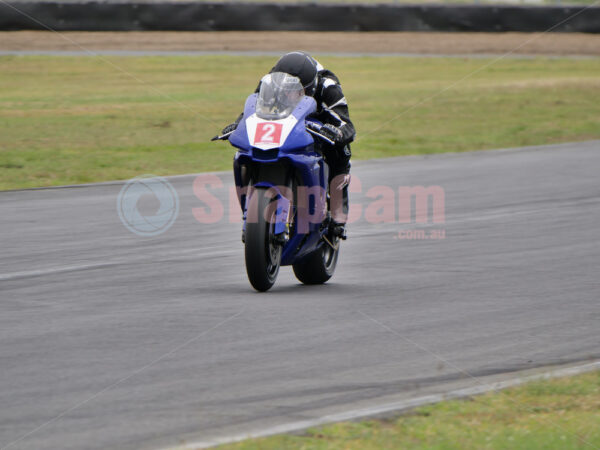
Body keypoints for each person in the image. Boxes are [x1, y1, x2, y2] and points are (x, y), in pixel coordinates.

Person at [220, 51, 355, 238]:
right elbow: (251, 109)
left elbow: (346, 125)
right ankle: (249, 211)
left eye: (298, 92)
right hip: (284, 120)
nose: (292, 96)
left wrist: (337, 132)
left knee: (341, 151)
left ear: (311, 87)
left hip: (318, 121)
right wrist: (238, 124)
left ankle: (339, 213)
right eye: (287, 91)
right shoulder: (270, 81)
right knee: (245, 151)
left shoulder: (328, 86)